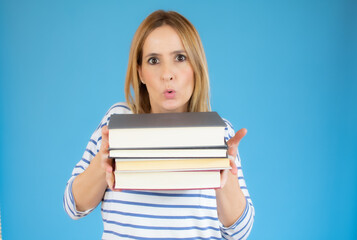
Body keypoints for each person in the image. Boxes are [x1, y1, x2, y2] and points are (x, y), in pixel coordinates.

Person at [63, 10, 255, 239]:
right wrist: (101, 163)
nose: (167, 74)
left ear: (196, 66)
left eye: (180, 58)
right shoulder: (117, 122)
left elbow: (239, 233)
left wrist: (227, 178)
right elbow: (73, 206)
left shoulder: (218, 133)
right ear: (140, 73)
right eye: (153, 60)